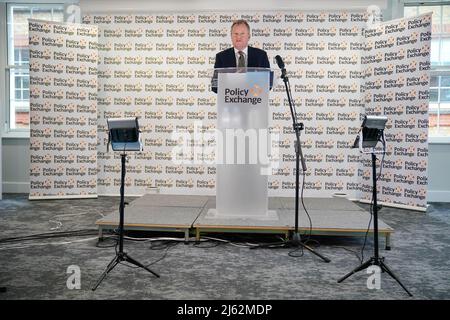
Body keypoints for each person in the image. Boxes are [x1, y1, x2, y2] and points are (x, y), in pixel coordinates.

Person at [212, 19, 270, 93]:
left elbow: (268, 83)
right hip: (230, 101)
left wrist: (251, 92)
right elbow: (215, 86)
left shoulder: (261, 55)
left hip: (254, 101)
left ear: (249, 36)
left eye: (242, 34)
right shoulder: (221, 57)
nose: (238, 37)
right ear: (231, 36)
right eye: (235, 34)